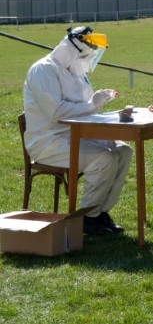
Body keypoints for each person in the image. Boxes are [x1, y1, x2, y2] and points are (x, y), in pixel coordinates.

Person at [22, 26, 133, 237]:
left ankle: (100, 212)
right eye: (88, 52)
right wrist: (93, 104)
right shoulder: (43, 70)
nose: (90, 58)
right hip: (49, 141)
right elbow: (57, 112)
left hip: (77, 134)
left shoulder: (76, 72)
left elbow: (84, 108)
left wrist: (99, 101)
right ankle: (87, 219)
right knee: (104, 160)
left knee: (123, 151)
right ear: (75, 49)